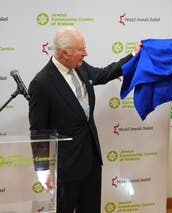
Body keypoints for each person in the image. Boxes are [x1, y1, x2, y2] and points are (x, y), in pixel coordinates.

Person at [28, 26, 142, 213]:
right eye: (81, 49)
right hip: (66, 168)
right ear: (65, 53)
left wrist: (133, 55)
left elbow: (106, 73)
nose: (86, 53)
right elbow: (38, 131)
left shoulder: (80, 67)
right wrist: (43, 170)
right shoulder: (42, 83)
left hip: (91, 160)